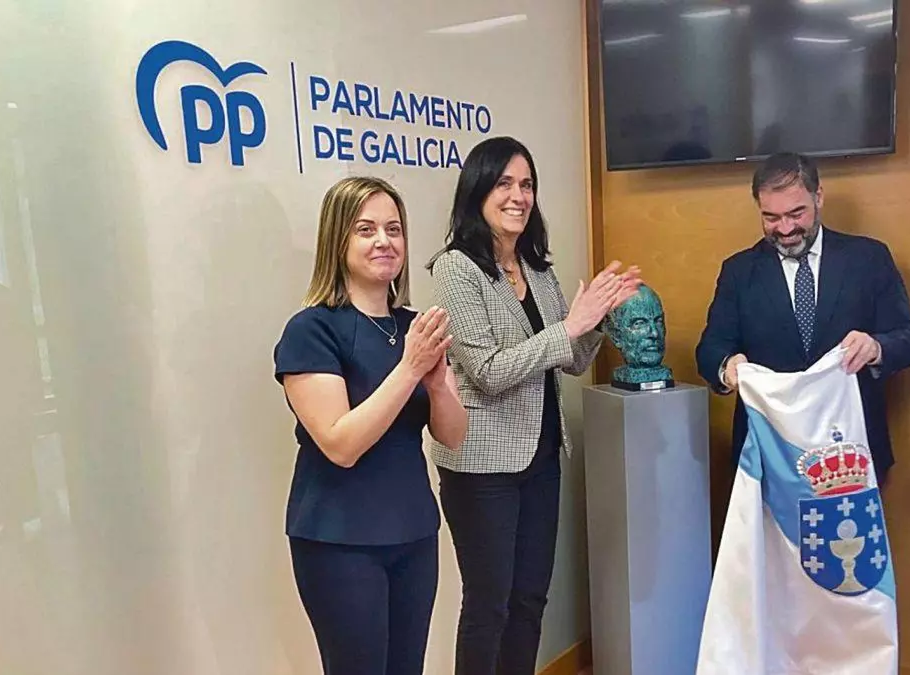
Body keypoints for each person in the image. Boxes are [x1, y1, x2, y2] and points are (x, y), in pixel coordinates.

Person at [427, 136, 640, 675]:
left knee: (529, 601)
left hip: (541, 458)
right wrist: (570, 326)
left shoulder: (537, 268)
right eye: (504, 183)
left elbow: (572, 360)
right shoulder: (456, 269)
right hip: (482, 466)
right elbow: (488, 371)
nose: (518, 196)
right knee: (489, 607)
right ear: (477, 190)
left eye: (526, 185)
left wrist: (597, 320)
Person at [273, 176, 468, 675]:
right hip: (340, 540)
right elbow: (341, 444)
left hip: (413, 533)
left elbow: (453, 436)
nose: (384, 241)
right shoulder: (311, 330)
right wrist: (409, 369)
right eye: (366, 229)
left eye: (393, 229)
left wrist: (437, 385)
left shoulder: (413, 327)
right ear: (338, 241)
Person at [695, 152, 910, 482]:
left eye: (796, 213)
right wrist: (727, 366)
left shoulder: (868, 258)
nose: (785, 228)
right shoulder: (739, 271)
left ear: (819, 197)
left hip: (850, 452)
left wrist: (875, 347)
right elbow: (710, 349)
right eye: (771, 217)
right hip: (768, 455)